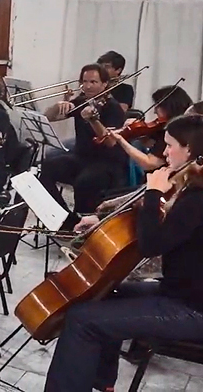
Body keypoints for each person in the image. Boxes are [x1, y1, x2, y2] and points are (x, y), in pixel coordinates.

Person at [44, 114, 203, 392]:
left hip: (192, 309)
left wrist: (154, 193)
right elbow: (158, 220)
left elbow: (151, 244)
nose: (164, 152)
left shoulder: (197, 198)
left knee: (82, 320)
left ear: (190, 149)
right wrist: (106, 218)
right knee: (106, 292)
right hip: (178, 292)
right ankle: (102, 384)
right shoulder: (191, 187)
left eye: (169, 145)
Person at [39, 63, 128, 215]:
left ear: (105, 84)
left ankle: (82, 223)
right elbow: (48, 117)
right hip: (82, 157)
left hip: (108, 163)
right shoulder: (81, 101)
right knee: (46, 168)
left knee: (84, 182)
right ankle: (64, 218)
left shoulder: (113, 108)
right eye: (84, 82)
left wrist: (93, 120)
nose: (87, 86)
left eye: (93, 82)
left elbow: (111, 142)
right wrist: (59, 105)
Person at [106, 85, 194, 173]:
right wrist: (136, 132)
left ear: (168, 106)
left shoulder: (176, 132)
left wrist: (121, 140)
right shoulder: (164, 128)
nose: (155, 111)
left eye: (157, 106)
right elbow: (150, 144)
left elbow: (149, 164)